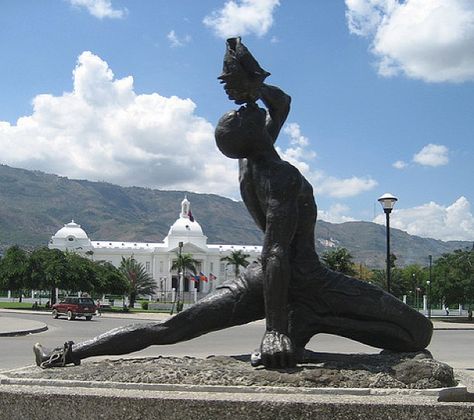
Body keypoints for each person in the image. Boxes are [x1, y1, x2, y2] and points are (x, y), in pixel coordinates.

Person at [34, 38, 432, 370]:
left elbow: (283, 102)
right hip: (303, 276)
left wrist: (251, 83)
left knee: (172, 328)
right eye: (243, 112)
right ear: (254, 132)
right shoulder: (280, 175)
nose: (247, 108)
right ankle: (311, 317)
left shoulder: (250, 161)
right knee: (417, 332)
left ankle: (68, 354)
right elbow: (276, 251)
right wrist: (275, 329)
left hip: (259, 280)